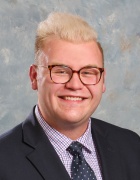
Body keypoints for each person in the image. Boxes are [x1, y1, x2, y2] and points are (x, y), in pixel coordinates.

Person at [0, 12, 140, 180]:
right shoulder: (4, 159)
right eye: (60, 71)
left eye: (88, 72)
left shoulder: (131, 146)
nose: (74, 85)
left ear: (102, 81)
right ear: (34, 77)